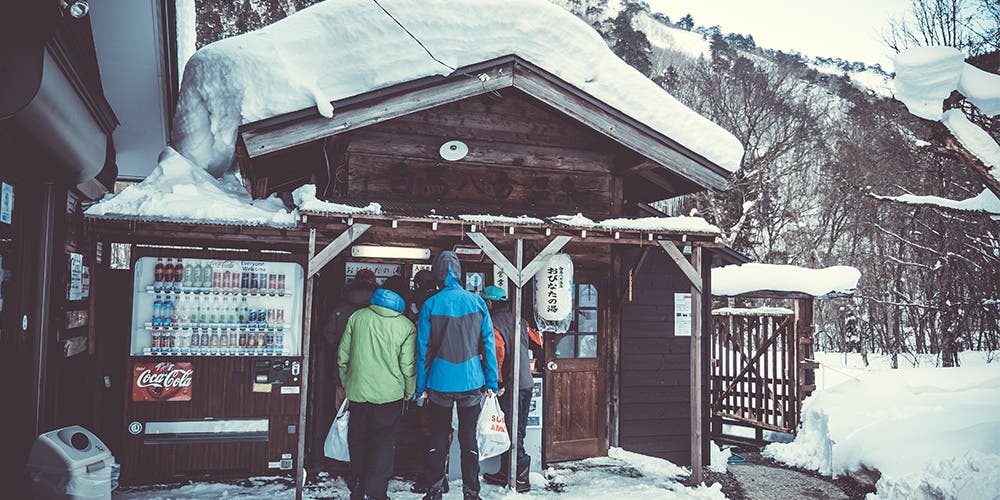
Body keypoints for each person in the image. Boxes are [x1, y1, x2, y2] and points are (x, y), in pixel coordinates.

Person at [416, 252, 499, 500]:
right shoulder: (477, 303)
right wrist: (491, 381)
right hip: (471, 381)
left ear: (438, 274)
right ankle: (471, 492)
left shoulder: (430, 304)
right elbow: (489, 345)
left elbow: (423, 349)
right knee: (468, 438)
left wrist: (421, 386)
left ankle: (434, 491)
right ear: (460, 273)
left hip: (439, 382)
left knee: (438, 438)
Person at [338, 285, 416, 500]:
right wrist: (409, 391)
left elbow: (343, 356)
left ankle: (358, 488)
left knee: (358, 440)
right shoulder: (406, 326)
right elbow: (408, 365)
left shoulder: (357, 317)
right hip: (390, 396)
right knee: (383, 444)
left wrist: (348, 384)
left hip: (358, 393)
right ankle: (377, 492)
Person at [479, 285, 543, 492]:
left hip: (510, 384)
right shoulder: (520, 321)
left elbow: (497, 352)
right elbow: (538, 340)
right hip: (525, 383)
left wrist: (496, 382)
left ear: (489, 303)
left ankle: (521, 477)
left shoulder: (493, 322)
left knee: (509, 430)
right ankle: (506, 472)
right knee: (517, 429)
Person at [312, 270, 377, 469]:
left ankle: (343, 460)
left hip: (342, 373)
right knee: (370, 420)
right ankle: (365, 462)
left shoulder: (340, 308)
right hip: (372, 376)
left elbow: (329, 337)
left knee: (342, 416)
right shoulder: (377, 311)